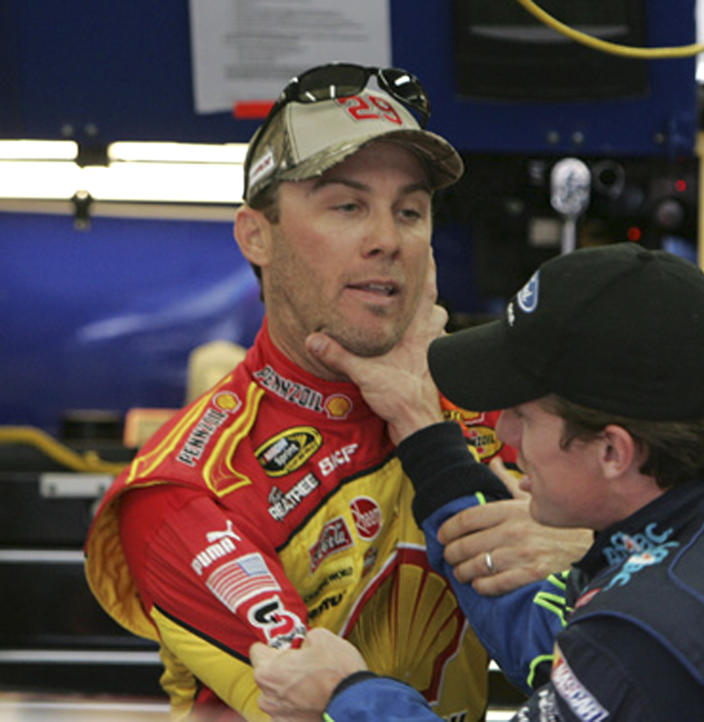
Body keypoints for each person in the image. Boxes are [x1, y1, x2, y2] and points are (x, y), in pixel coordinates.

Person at [83, 63, 589, 721]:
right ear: (254, 235)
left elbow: (638, 631)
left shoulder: (495, 411)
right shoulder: (186, 492)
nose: (387, 241)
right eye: (347, 206)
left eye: (409, 211)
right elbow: (325, 702)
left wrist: (585, 548)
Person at [249, 243, 704, 721]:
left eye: (525, 415)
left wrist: (345, 697)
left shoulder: (645, 642)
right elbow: (562, 651)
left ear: (614, 451)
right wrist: (427, 442)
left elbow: (615, 662)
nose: (499, 431)